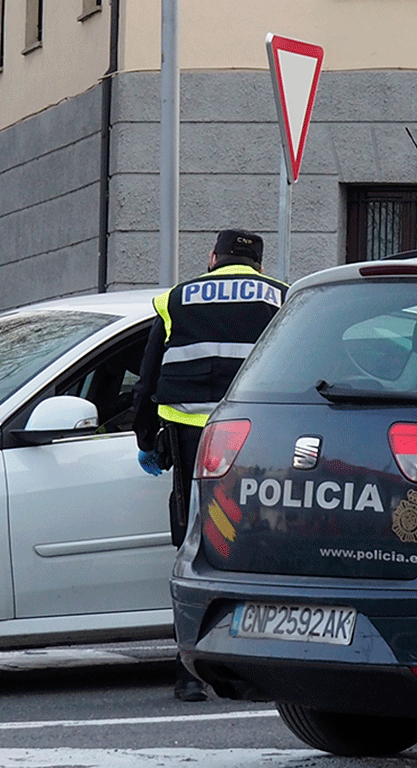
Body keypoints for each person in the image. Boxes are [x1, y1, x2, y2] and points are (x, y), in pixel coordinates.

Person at [132, 228, 287, 701]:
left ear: (212, 258)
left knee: (194, 546)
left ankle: (189, 674)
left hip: (192, 438)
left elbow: (147, 377)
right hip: (256, 440)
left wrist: (146, 439)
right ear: (257, 265)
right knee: (255, 543)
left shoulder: (177, 299)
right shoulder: (282, 297)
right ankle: (259, 668)